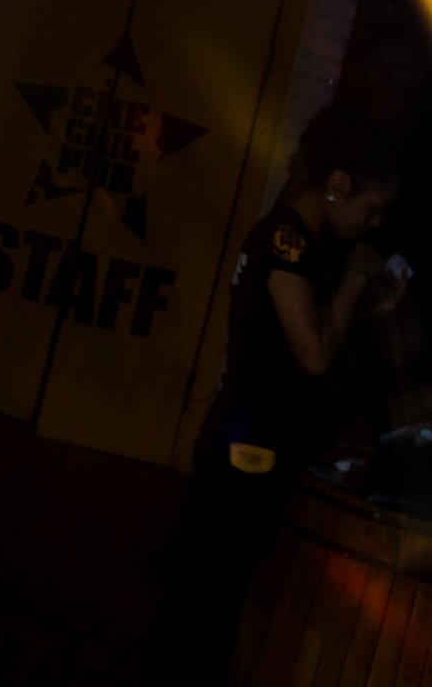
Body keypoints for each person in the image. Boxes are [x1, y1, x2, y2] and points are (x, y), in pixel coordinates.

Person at [149, 106, 405, 684]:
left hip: (246, 439)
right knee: (209, 595)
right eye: (373, 207)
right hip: (248, 446)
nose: (374, 223)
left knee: (210, 589)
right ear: (338, 184)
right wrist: (356, 280)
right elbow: (313, 355)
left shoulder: (296, 240)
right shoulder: (287, 241)